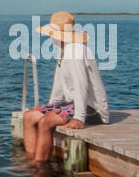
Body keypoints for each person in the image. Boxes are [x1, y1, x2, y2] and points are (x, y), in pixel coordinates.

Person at [22, 11, 110, 162]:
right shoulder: (63, 50)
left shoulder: (75, 51)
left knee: (45, 122)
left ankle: (40, 168)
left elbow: (81, 84)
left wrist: (79, 117)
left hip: (92, 109)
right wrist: (50, 107)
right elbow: (58, 86)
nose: (50, 36)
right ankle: (30, 162)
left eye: (51, 33)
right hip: (72, 104)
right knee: (29, 116)